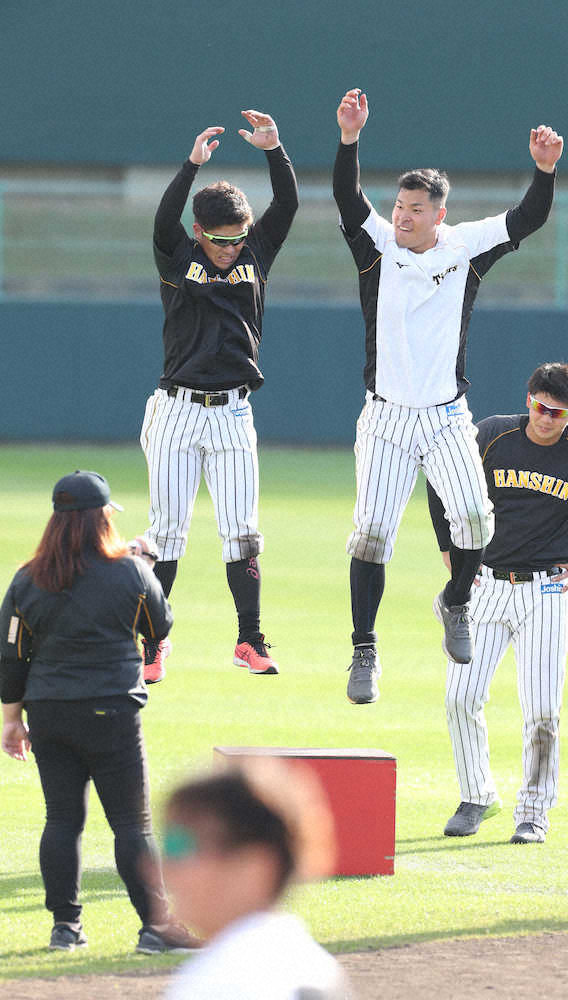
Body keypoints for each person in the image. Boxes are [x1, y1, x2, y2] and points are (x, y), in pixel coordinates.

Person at [333, 88, 564, 705]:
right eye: (399, 206)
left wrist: (544, 173)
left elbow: (526, 220)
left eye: (414, 209)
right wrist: (349, 139)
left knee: (476, 519)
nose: (402, 216)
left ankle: (455, 600)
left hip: (445, 418)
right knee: (372, 533)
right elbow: (346, 199)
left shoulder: (464, 249)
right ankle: (364, 650)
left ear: (439, 214)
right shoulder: (376, 248)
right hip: (384, 419)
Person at [427, 364, 568, 843]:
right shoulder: (492, 435)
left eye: (557, 412)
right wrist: (448, 545)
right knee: (460, 696)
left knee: (542, 708)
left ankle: (534, 812)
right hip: (484, 585)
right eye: (539, 406)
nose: (545, 418)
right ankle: (477, 795)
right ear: (529, 399)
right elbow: (441, 481)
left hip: (546, 589)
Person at [0, 470, 200, 953]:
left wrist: (11, 719)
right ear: (102, 517)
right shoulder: (129, 572)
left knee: (62, 820)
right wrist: (145, 566)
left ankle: (65, 928)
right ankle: (156, 927)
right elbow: (160, 624)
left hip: (49, 712)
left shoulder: (29, 578)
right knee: (132, 825)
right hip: (111, 710)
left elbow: (10, 655)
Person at [140, 109, 299, 681]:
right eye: (220, 239)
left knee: (242, 529)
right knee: (165, 530)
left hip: (233, 410)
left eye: (238, 236)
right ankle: (153, 644)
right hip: (178, 409)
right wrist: (190, 167)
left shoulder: (256, 254)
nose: (231, 248)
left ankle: (249, 640)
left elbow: (287, 206)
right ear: (200, 232)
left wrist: (273, 150)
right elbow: (162, 222)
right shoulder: (177, 257)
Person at [161, 763, 350, 1000]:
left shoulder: (222, 981)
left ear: (254, 867)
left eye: (180, 848)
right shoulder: (314, 964)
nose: (165, 868)